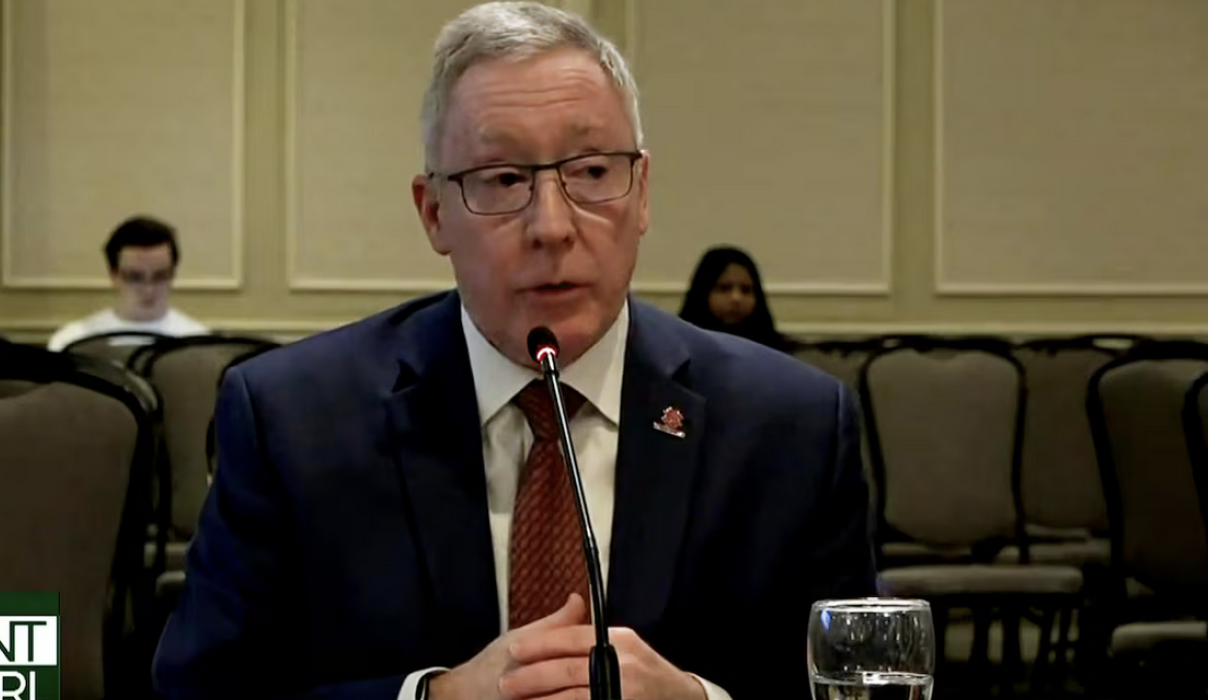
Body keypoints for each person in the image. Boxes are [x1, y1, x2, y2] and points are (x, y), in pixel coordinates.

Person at [152, 3, 874, 699]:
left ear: (643, 192)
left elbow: (851, 689)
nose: (552, 226)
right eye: (503, 180)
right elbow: (197, 690)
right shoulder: (291, 422)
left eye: (592, 172)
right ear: (433, 212)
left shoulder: (793, 429)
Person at [46, 216, 209, 351]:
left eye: (160, 277)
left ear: (173, 275)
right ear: (114, 276)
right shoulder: (72, 340)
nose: (149, 290)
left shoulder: (199, 342)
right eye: (135, 278)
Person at [678, 246, 791, 351]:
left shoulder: (780, 354)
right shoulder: (676, 350)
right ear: (702, 293)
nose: (736, 298)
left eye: (746, 290)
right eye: (724, 288)